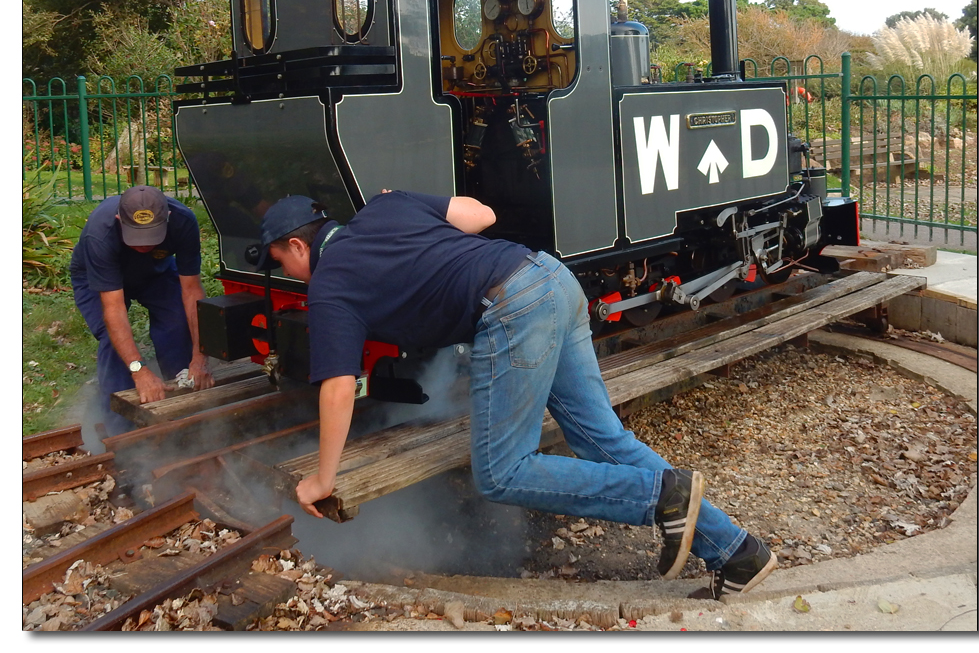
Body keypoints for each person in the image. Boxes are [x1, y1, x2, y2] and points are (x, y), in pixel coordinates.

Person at [259, 190, 777, 599]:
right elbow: (481, 215)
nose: (286, 271)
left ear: (300, 246)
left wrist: (322, 479)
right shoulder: (386, 206)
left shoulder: (330, 285)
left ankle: (661, 498)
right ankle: (738, 552)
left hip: (511, 308)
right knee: (604, 440)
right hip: (550, 277)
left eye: (282, 259)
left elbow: (337, 387)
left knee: (502, 472)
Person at [70, 185, 214, 436]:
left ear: (167, 218)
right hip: (97, 277)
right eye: (136, 237)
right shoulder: (100, 233)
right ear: (119, 220)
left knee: (177, 326)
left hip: (155, 271)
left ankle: (184, 415)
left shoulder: (183, 221)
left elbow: (191, 290)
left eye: (151, 236)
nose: (143, 245)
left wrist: (200, 356)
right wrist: (139, 370)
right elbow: (114, 308)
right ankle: (121, 434)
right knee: (112, 340)